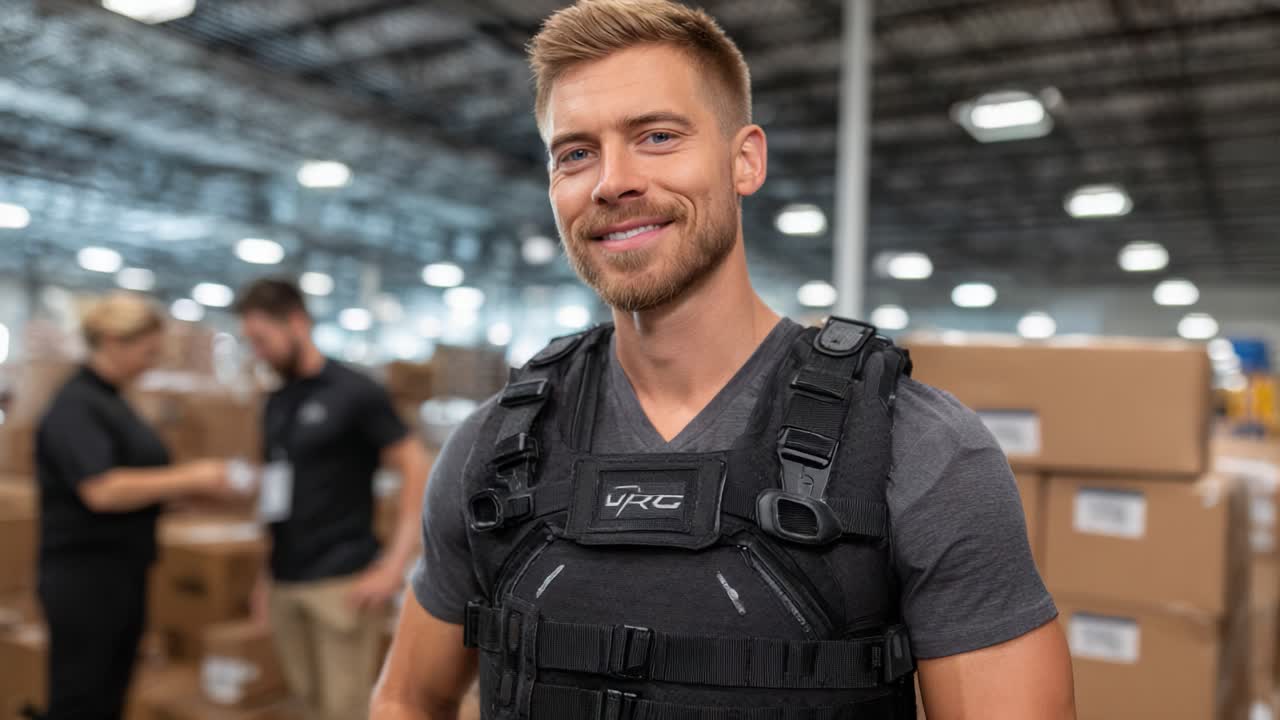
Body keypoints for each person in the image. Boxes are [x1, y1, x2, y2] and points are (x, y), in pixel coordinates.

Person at [373, 1, 1076, 718]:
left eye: (656, 136)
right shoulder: (491, 452)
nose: (612, 181)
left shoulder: (920, 452)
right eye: (575, 153)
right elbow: (404, 699)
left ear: (746, 161)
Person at [234, 278, 433, 720]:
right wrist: (265, 578)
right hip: (286, 581)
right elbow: (276, 493)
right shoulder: (276, 401)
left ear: (296, 322)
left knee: (342, 710)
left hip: (342, 582)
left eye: (262, 340)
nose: (258, 353)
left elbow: (416, 464)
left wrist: (394, 566)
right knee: (305, 704)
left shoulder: (354, 391)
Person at [35, 292, 240, 719]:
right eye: (148, 352)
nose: (153, 361)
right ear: (113, 341)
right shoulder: (77, 405)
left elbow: (134, 481)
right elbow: (101, 489)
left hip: (122, 571)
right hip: (85, 577)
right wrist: (192, 476)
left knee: (111, 690)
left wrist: (178, 497)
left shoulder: (115, 401)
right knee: (81, 695)